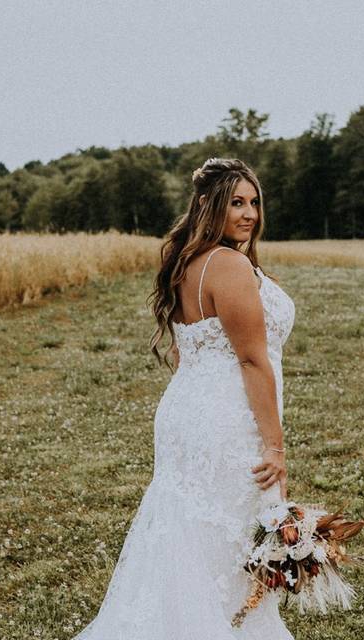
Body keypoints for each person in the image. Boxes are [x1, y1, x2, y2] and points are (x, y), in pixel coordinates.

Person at [72, 157, 296, 638]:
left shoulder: (186, 261)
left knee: (190, 536)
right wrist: (275, 447)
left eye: (254, 202)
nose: (249, 214)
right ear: (206, 206)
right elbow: (253, 360)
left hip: (189, 410)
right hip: (227, 417)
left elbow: (184, 351)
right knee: (225, 536)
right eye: (235, 203)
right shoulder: (231, 265)